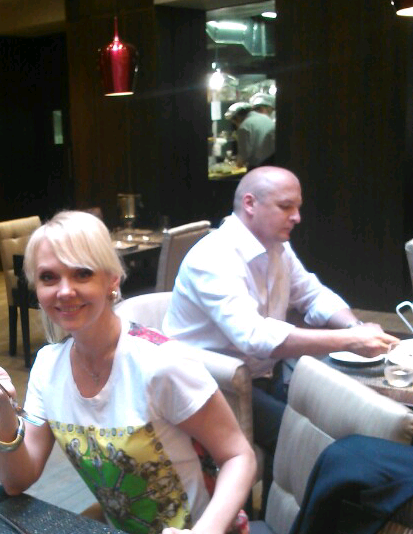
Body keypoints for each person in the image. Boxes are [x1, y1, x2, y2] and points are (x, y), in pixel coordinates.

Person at [0, 210, 256, 534]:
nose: (64, 291)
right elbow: (17, 481)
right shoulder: (48, 366)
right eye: (49, 277)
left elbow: (239, 455)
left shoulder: (161, 363)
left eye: (82, 273)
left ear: (112, 280)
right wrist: (4, 405)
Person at [162, 166, 399, 500]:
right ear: (250, 204)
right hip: (211, 385)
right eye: (286, 207)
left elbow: (313, 295)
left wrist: (354, 327)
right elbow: (254, 336)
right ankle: (285, 518)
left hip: (260, 374)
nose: (297, 217)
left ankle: (287, 509)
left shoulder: (277, 247)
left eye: (297, 207)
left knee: (330, 416)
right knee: (303, 439)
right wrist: (350, 341)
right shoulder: (213, 256)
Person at [225, 101, 275, 169]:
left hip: (257, 167)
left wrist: (236, 165)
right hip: (273, 163)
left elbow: (243, 155)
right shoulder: (266, 118)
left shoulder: (245, 126)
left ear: (237, 118)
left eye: (234, 122)